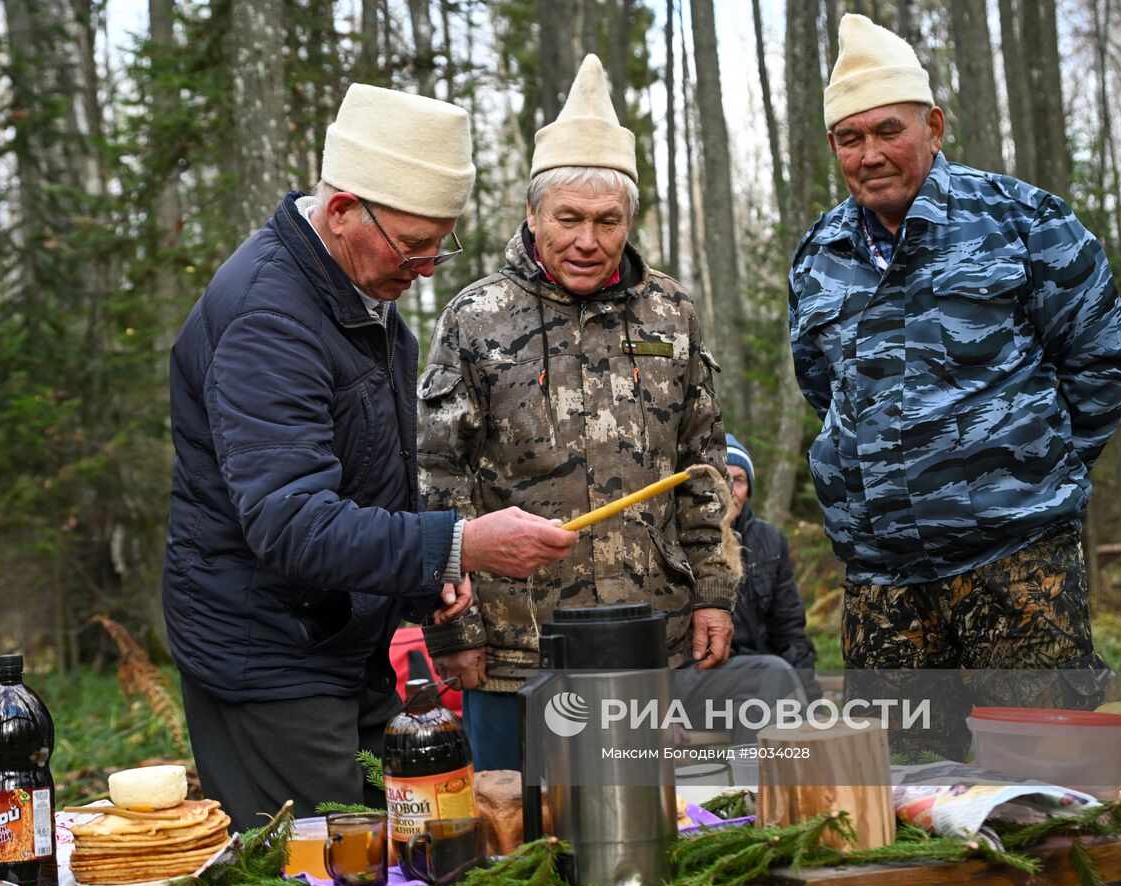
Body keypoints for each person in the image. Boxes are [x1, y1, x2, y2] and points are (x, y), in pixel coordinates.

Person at [162, 83, 578, 829]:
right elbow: (292, 522)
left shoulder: (360, 296)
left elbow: (364, 478)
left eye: (438, 245)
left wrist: (427, 576)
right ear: (343, 208)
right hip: (270, 659)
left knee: (398, 843)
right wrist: (457, 543)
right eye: (413, 245)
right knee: (312, 862)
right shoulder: (269, 315)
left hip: (343, 643)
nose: (426, 267)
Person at [789, 15, 1121, 755]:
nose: (871, 155)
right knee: (905, 802)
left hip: (1015, 567)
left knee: (1043, 792)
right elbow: (824, 387)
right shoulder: (820, 255)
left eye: (889, 131)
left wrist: (1030, 470)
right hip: (883, 582)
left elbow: (1099, 360)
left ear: (934, 126)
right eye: (851, 139)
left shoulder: (1023, 221)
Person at [417, 55, 738, 770]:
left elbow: (704, 465)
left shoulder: (671, 312)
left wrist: (714, 591)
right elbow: (439, 482)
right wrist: (455, 627)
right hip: (514, 643)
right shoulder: (476, 318)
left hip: (645, 636)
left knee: (644, 838)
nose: (588, 240)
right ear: (532, 214)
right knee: (515, 841)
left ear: (629, 220)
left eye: (606, 220)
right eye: (568, 218)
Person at [723, 434, 821, 702]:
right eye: (723, 479)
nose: (731, 490)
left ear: (749, 489)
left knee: (784, 705)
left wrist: (810, 697)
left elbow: (788, 628)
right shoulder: (686, 542)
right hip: (714, 675)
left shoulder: (770, 541)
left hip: (765, 671)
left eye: (739, 480)